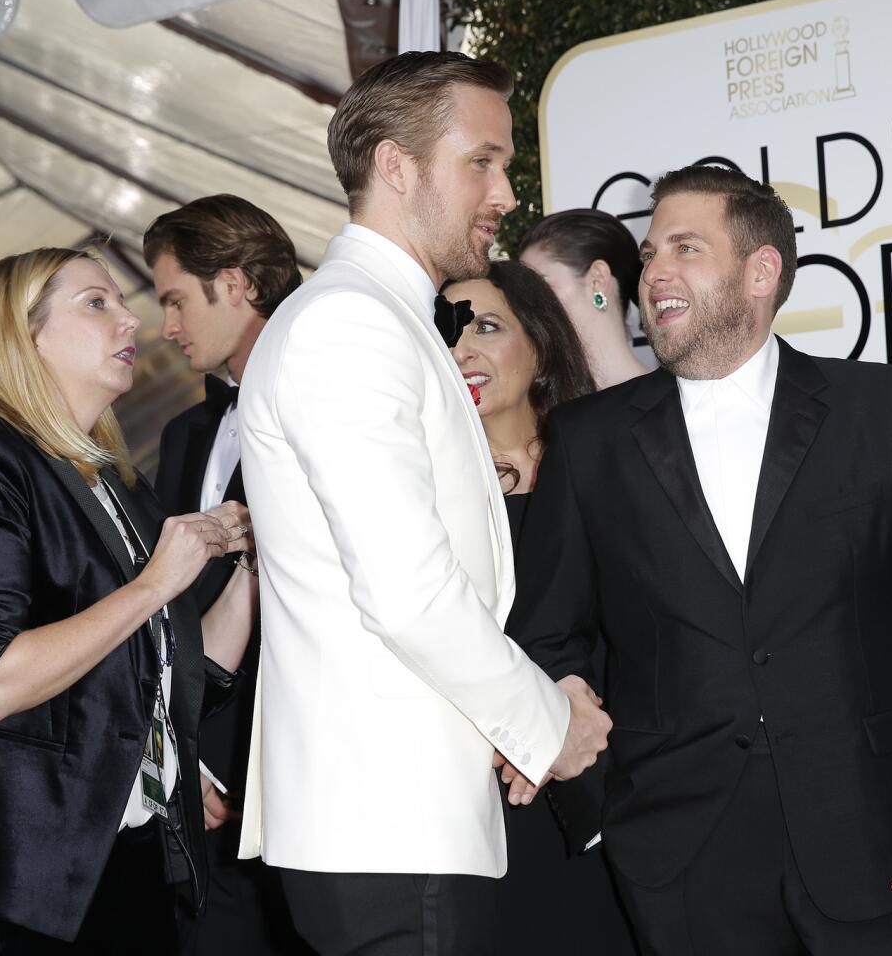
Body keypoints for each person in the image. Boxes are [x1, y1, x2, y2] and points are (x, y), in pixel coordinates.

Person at [506, 165, 892, 955]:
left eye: (685, 247)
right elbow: (547, 636)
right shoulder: (591, 441)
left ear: (761, 272)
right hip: (680, 865)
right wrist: (605, 812)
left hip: (878, 848)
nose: (655, 273)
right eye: (649, 252)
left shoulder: (873, 411)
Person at [237, 50, 612, 955]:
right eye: (481, 161)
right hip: (387, 826)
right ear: (395, 168)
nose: (506, 193)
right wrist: (545, 726)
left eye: (507, 165)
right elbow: (409, 589)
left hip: (398, 823)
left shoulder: (383, 317)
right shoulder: (349, 324)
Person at [0, 248, 256, 953]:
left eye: (121, 301)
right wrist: (154, 585)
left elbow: (177, 683)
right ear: (25, 335)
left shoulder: (114, 483)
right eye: (96, 302)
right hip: (26, 885)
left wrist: (253, 570)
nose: (130, 318)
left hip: (131, 864)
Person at [443, 261, 637, 954]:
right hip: (491, 795)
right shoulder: (421, 503)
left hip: (630, 780)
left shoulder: (617, 465)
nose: (461, 350)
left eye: (486, 327)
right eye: (446, 333)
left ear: (543, 344)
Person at [144, 194, 310, 955]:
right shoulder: (185, 434)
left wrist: (216, 754)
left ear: (237, 283)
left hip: (300, 773)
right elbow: (169, 612)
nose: (167, 328)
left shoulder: (325, 397)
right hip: (195, 800)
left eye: (176, 300)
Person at [517, 208, 649, 389]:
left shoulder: (676, 403)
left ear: (598, 280)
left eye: (541, 287)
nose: (526, 306)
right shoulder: (537, 408)